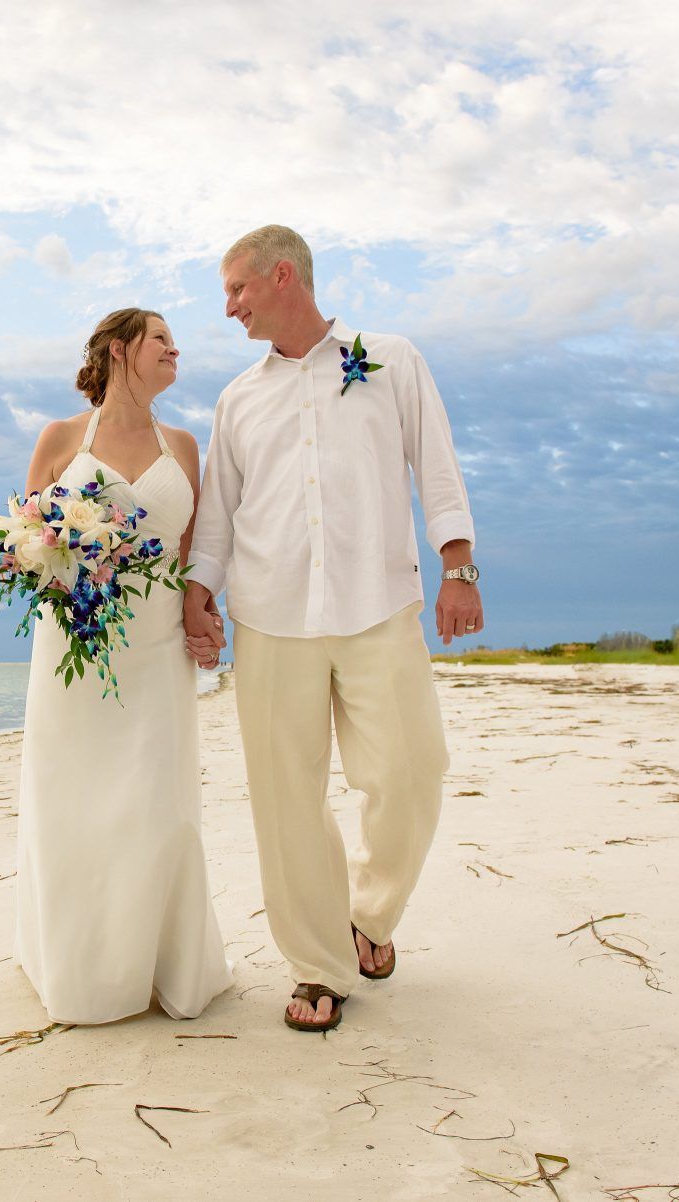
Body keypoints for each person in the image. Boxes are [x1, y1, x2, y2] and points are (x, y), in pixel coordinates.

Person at [183, 225, 483, 1033]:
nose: (229, 307)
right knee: (287, 800)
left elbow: (437, 463)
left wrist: (458, 566)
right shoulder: (238, 397)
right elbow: (217, 519)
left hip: (378, 603)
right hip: (272, 616)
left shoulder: (390, 359)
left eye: (237, 289)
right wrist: (196, 595)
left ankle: (369, 917)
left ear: (284, 277)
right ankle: (318, 967)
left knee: (414, 772)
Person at [12, 307, 233, 1024]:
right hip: (75, 648)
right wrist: (55, 564)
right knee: (74, 803)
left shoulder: (184, 446)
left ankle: (159, 964)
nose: (176, 348)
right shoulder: (61, 437)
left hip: (157, 650)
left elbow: (191, 551)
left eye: (176, 340)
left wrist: (203, 613)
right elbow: (26, 541)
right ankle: (83, 970)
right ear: (119, 350)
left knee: (157, 806)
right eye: (161, 339)